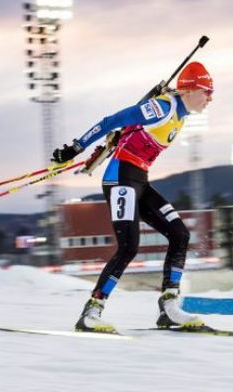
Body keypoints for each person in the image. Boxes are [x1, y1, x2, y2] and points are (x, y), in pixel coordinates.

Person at [51, 61, 214, 333]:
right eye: (206, 91)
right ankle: (92, 312)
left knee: (180, 234)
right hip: (120, 179)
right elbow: (112, 121)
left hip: (139, 179)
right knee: (129, 246)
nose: (210, 98)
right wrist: (76, 148)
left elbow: (131, 134)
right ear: (189, 90)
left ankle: (169, 307)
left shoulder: (180, 114)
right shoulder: (163, 107)